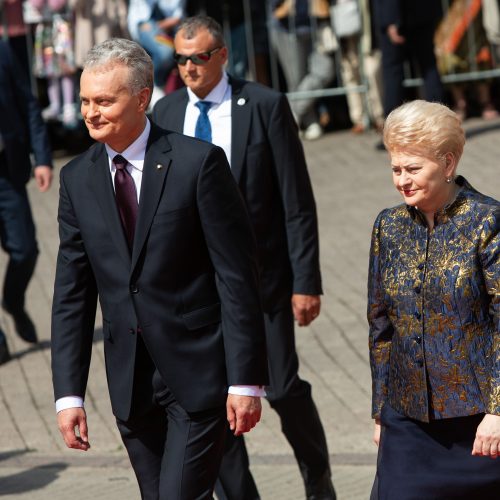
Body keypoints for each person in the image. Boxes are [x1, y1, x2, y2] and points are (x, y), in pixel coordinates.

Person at [51, 38, 268, 500]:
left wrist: (245, 379)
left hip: (199, 376)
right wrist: (68, 395)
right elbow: (72, 293)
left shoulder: (198, 164)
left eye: (105, 101)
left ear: (143, 97)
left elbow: (237, 277)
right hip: (131, 388)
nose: (90, 112)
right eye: (86, 100)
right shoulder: (76, 179)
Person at [153, 15, 335, 500]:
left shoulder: (264, 106)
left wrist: (307, 280)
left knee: (281, 387)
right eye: (182, 59)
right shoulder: (166, 113)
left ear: (222, 55)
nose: (190, 67)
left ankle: (317, 475)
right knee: (215, 400)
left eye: (200, 57)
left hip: (265, 282)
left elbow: (296, 201)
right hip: (199, 290)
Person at [368, 100, 500, 499]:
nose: (402, 181)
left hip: (478, 423)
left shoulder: (487, 222)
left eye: (413, 169)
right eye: (396, 169)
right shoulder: (388, 226)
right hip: (406, 420)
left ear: (447, 162)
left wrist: (498, 410)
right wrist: (380, 412)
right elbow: (380, 324)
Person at [0, 40, 53, 364]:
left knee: (25, 249)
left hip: (7, 169)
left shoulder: (4, 52)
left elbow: (28, 104)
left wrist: (43, 158)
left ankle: (14, 301)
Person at [372, 0, 444, 120]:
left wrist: (391, 19)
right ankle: (440, 122)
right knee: (429, 67)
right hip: (423, 12)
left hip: (399, 15)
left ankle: (393, 126)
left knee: (393, 72)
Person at [127, 0, 186, 106]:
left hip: (171, 25)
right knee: (165, 52)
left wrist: (159, 26)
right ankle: (154, 84)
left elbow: (177, 15)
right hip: (145, 24)